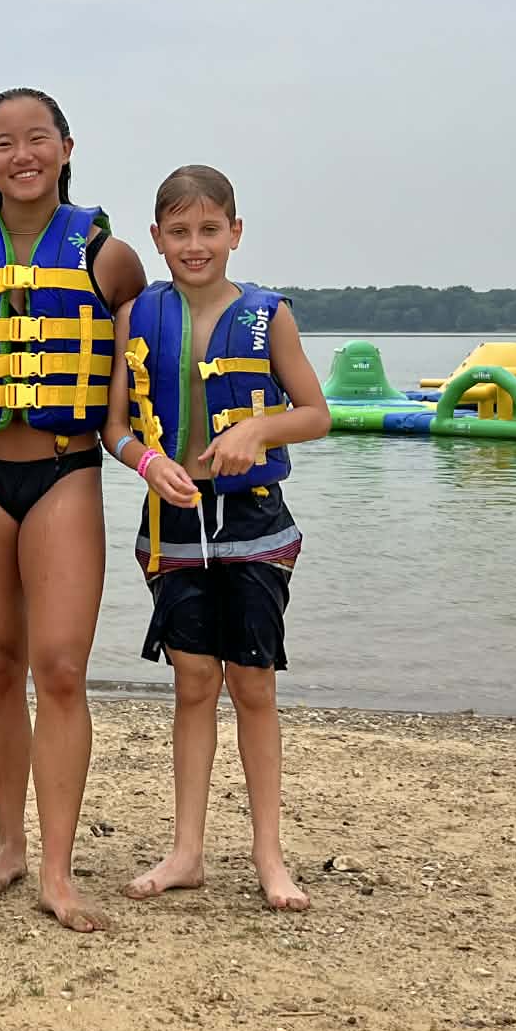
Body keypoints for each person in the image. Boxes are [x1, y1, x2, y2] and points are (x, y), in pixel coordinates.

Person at [0, 88, 147, 933]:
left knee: (59, 667)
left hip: (64, 473)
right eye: (3, 142)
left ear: (66, 148)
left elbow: (158, 358)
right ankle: (9, 842)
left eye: (38, 139)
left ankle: (59, 870)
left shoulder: (113, 259)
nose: (23, 154)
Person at [100, 165, 333, 911]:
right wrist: (148, 461)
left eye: (209, 230)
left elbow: (316, 412)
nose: (194, 245)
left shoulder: (271, 315)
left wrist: (258, 429)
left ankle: (270, 857)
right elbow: (115, 429)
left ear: (235, 233)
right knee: (193, 684)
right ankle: (187, 851)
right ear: (157, 239)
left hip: (255, 525)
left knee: (253, 686)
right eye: (179, 232)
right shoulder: (136, 314)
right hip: (170, 528)